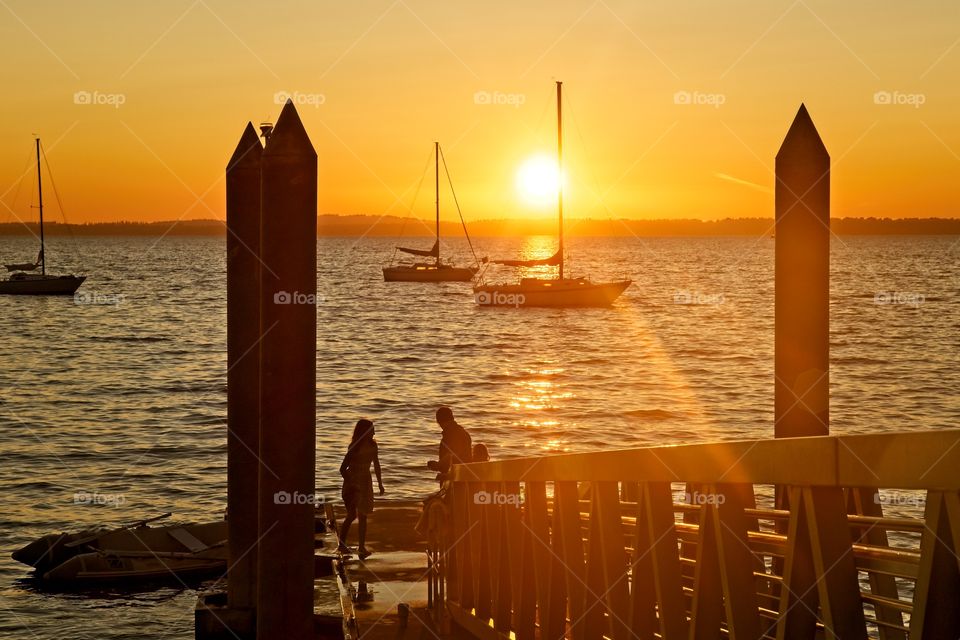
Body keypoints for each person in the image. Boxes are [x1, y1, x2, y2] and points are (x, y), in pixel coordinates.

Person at [339, 419, 384, 558]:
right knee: (352, 515)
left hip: (366, 482)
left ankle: (361, 547)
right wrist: (351, 483)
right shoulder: (354, 446)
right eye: (371, 430)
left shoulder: (373, 445)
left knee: (363, 515)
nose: (374, 432)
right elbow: (342, 468)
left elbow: (376, 465)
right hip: (353, 482)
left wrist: (380, 483)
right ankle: (341, 545)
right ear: (364, 431)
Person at [426, 406, 472, 483]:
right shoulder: (462, 432)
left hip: (457, 481)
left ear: (439, 421)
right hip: (463, 477)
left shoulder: (452, 433)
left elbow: (454, 453)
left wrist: (438, 465)